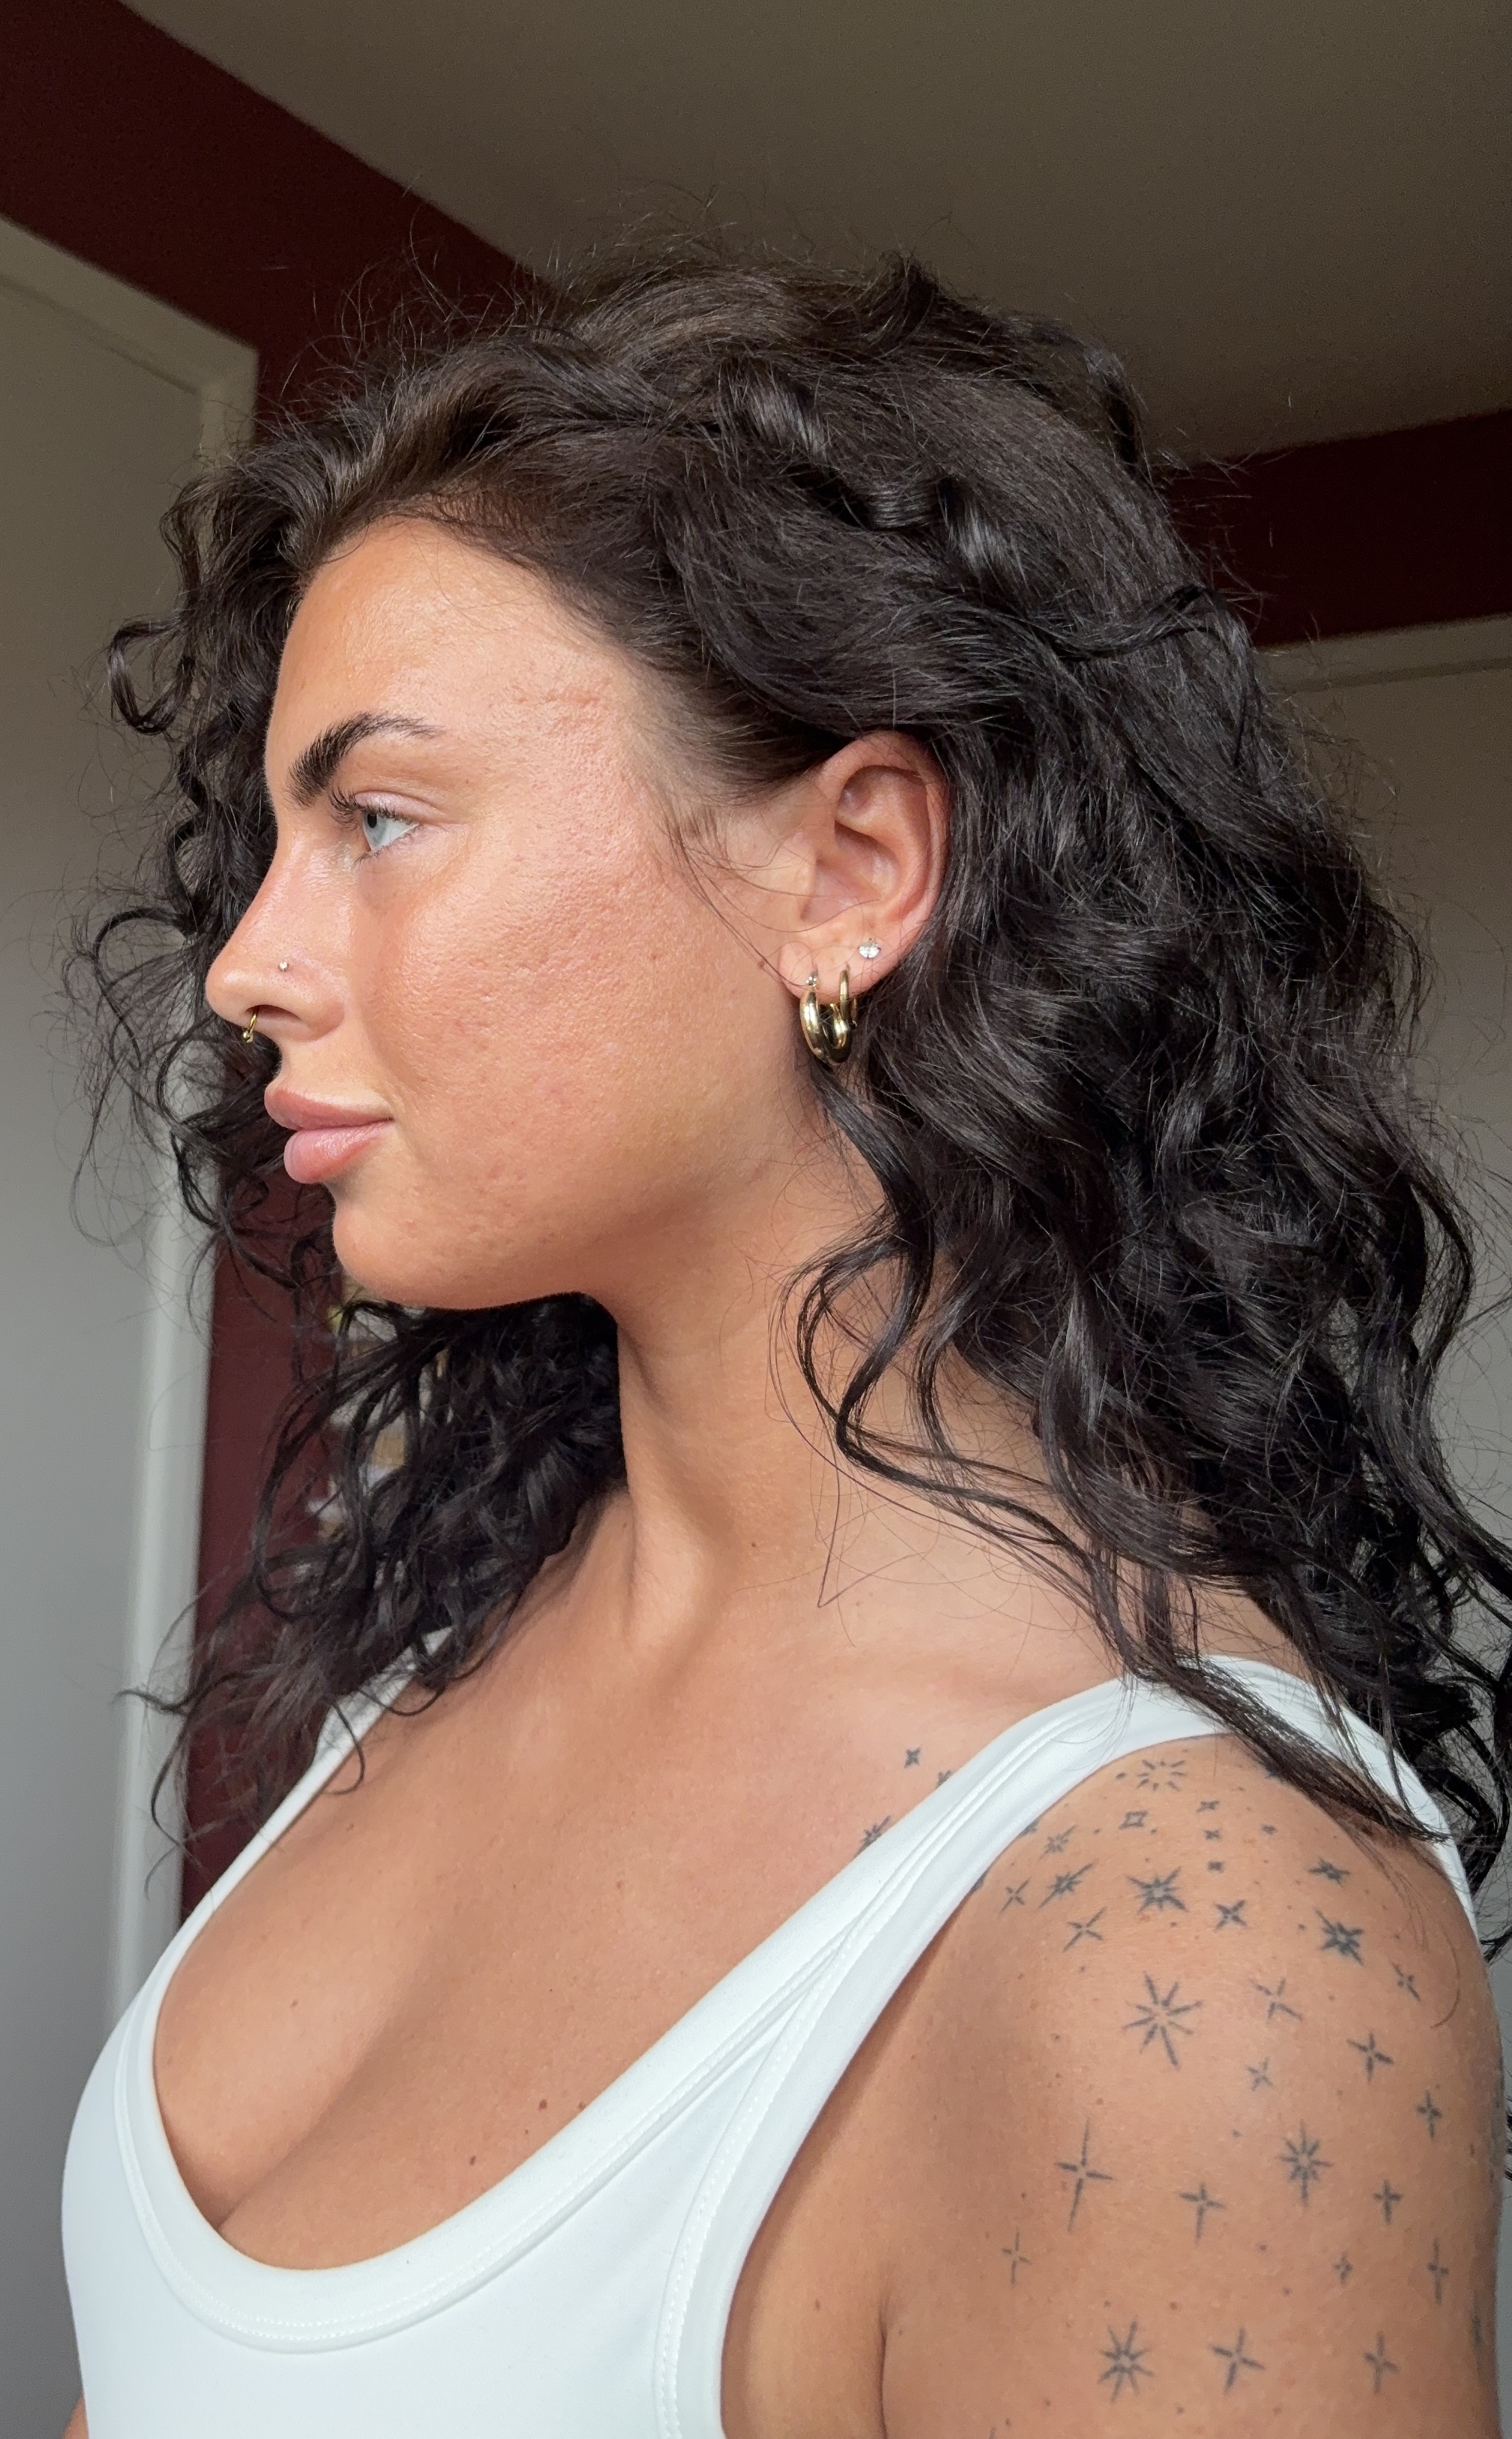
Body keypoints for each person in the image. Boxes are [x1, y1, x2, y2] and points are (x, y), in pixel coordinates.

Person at [62, 246, 1508, 2437]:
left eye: (378, 817)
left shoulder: (1191, 1955)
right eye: (275, 839)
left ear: (851, 870)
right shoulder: (472, 1623)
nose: (247, 964)